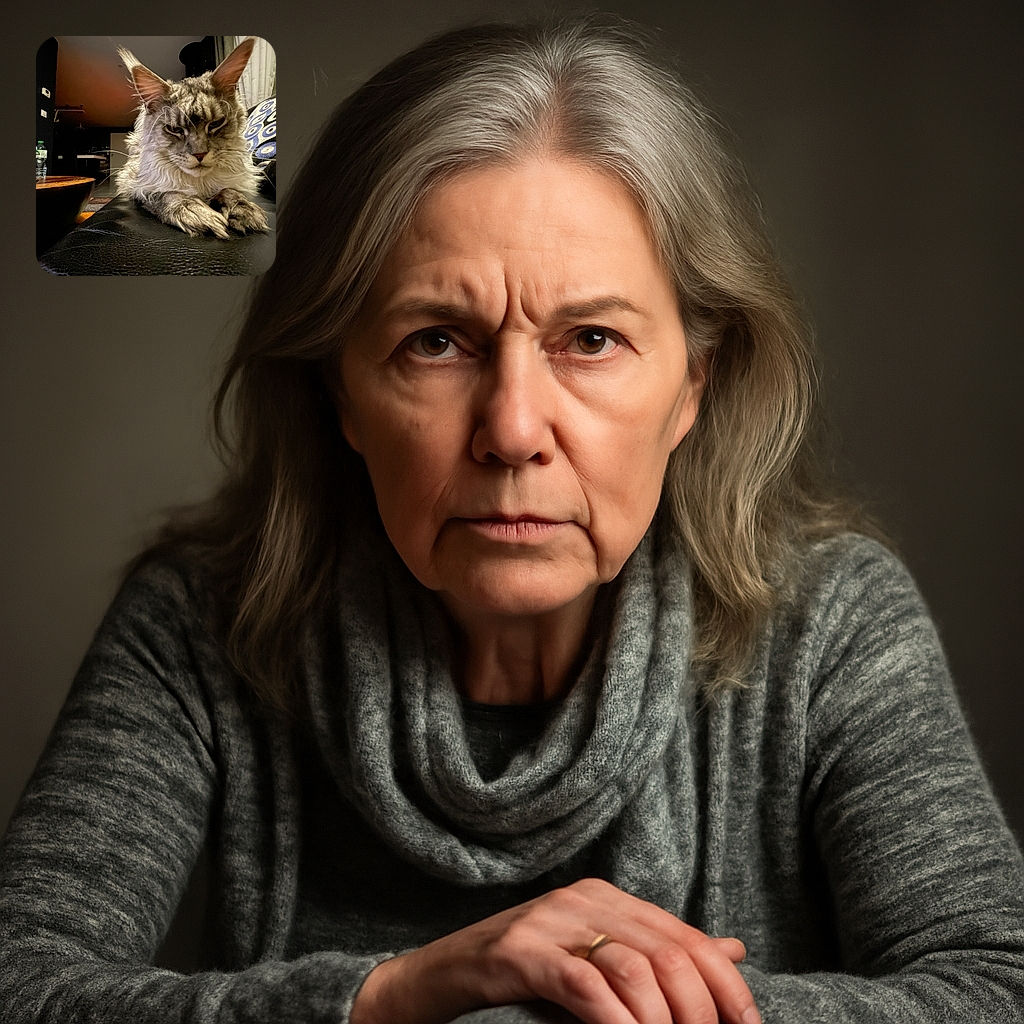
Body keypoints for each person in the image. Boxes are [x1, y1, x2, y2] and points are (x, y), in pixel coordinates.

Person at [1, 17, 1022, 1024]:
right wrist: (392, 995)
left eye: (589, 338)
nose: (513, 429)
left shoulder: (831, 621)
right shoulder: (200, 624)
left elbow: (994, 988)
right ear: (340, 394)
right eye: (436, 340)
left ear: (693, 386)